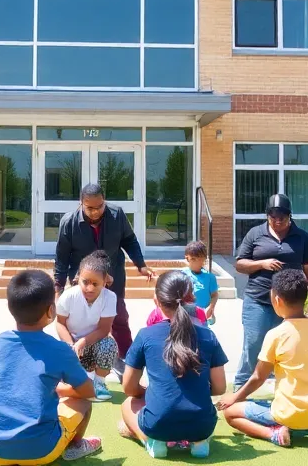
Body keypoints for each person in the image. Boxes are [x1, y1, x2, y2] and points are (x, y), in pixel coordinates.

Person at [0, 269, 102, 464]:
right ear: (51, 310)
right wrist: (59, 390)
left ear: (10, 307)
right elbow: (87, 391)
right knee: (83, 404)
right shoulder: (59, 349)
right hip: (42, 451)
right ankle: (75, 446)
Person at [218, 269, 308, 447]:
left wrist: (235, 397)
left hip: (291, 418)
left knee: (231, 413)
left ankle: (273, 434)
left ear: (276, 299)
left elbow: (258, 377)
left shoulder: (276, 334)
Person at [119, 270, 228, 459]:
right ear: (192, 298)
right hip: (203, 425)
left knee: (128, 404)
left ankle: (150, 440)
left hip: (159, 423)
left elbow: (128, 388)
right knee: (198, 413)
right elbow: (220, 387)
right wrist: (194, 390)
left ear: (157, 300)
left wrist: (148, 393)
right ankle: (199, 442)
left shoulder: (146, 335)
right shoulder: (208, 336)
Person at [53, 183, 156, 370]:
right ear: (81, 204)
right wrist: (58, 286)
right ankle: (80, 357)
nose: (95, 212)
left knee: (119, 315)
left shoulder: (117, 215)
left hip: (112, 276)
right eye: (90, 208)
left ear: (104, 201)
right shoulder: (69, 222)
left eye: (100, 206)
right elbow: (61, 256)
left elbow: (129, 241)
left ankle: (127, 356)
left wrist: (141, 265)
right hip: (82, 280)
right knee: (81, 320)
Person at [231, 194, 308, 390]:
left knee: (288, 344)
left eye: (282, 217)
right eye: (273, 217)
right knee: (253, 342)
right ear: (267, 215)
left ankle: (285, 385)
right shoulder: (255, 234)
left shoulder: (302, 237)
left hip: (290, 302)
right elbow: (239, 264)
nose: (278, 221)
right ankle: (241, 384)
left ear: (290, 216)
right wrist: (261, 263)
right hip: (258, 297)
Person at [55, 251, 119, 401]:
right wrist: (72, 345)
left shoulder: (110, 298)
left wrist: (83, 342)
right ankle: (75, 382)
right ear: (78, 279)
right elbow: (60, 323)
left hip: (94, 343)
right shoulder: (68, 296)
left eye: (95, 284)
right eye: (85, 282)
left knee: (109, 344)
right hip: (71, 343)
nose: (89, 288)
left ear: (105, 282)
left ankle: (99, 383)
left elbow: (104, 329)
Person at [183, 240, 219, 325]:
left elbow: (214, 295)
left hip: (202, 317)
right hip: (184, 317)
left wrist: (211, 308)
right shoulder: (181, 275)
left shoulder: (210, 277)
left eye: (199, 258)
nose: (196, 262)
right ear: (187, 258)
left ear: (204, 259)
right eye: (193, 259)